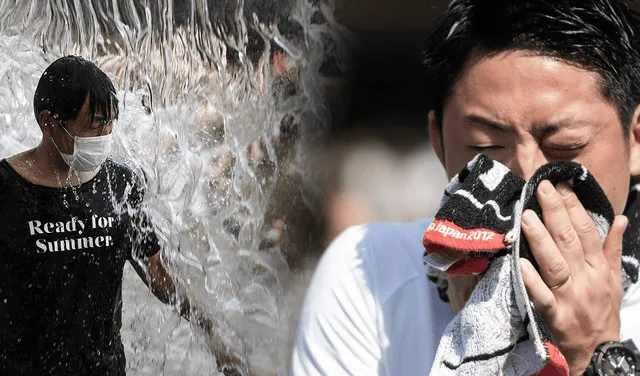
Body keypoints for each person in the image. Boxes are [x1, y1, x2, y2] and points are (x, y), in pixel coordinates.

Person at [291, 0, 640, 375]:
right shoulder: (370, 278)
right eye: (485, 147)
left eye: (565, 147)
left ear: (635, 140)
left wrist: (595, 353)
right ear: (438, 143)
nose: (528, 178)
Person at [0, 56, 259, 375]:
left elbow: (159, 276)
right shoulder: (7, 190)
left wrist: (214, 334)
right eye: (95, 126)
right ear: (49, 122)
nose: (106, 136)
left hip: (104, 368)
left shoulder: (119, 184)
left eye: (110, 123)